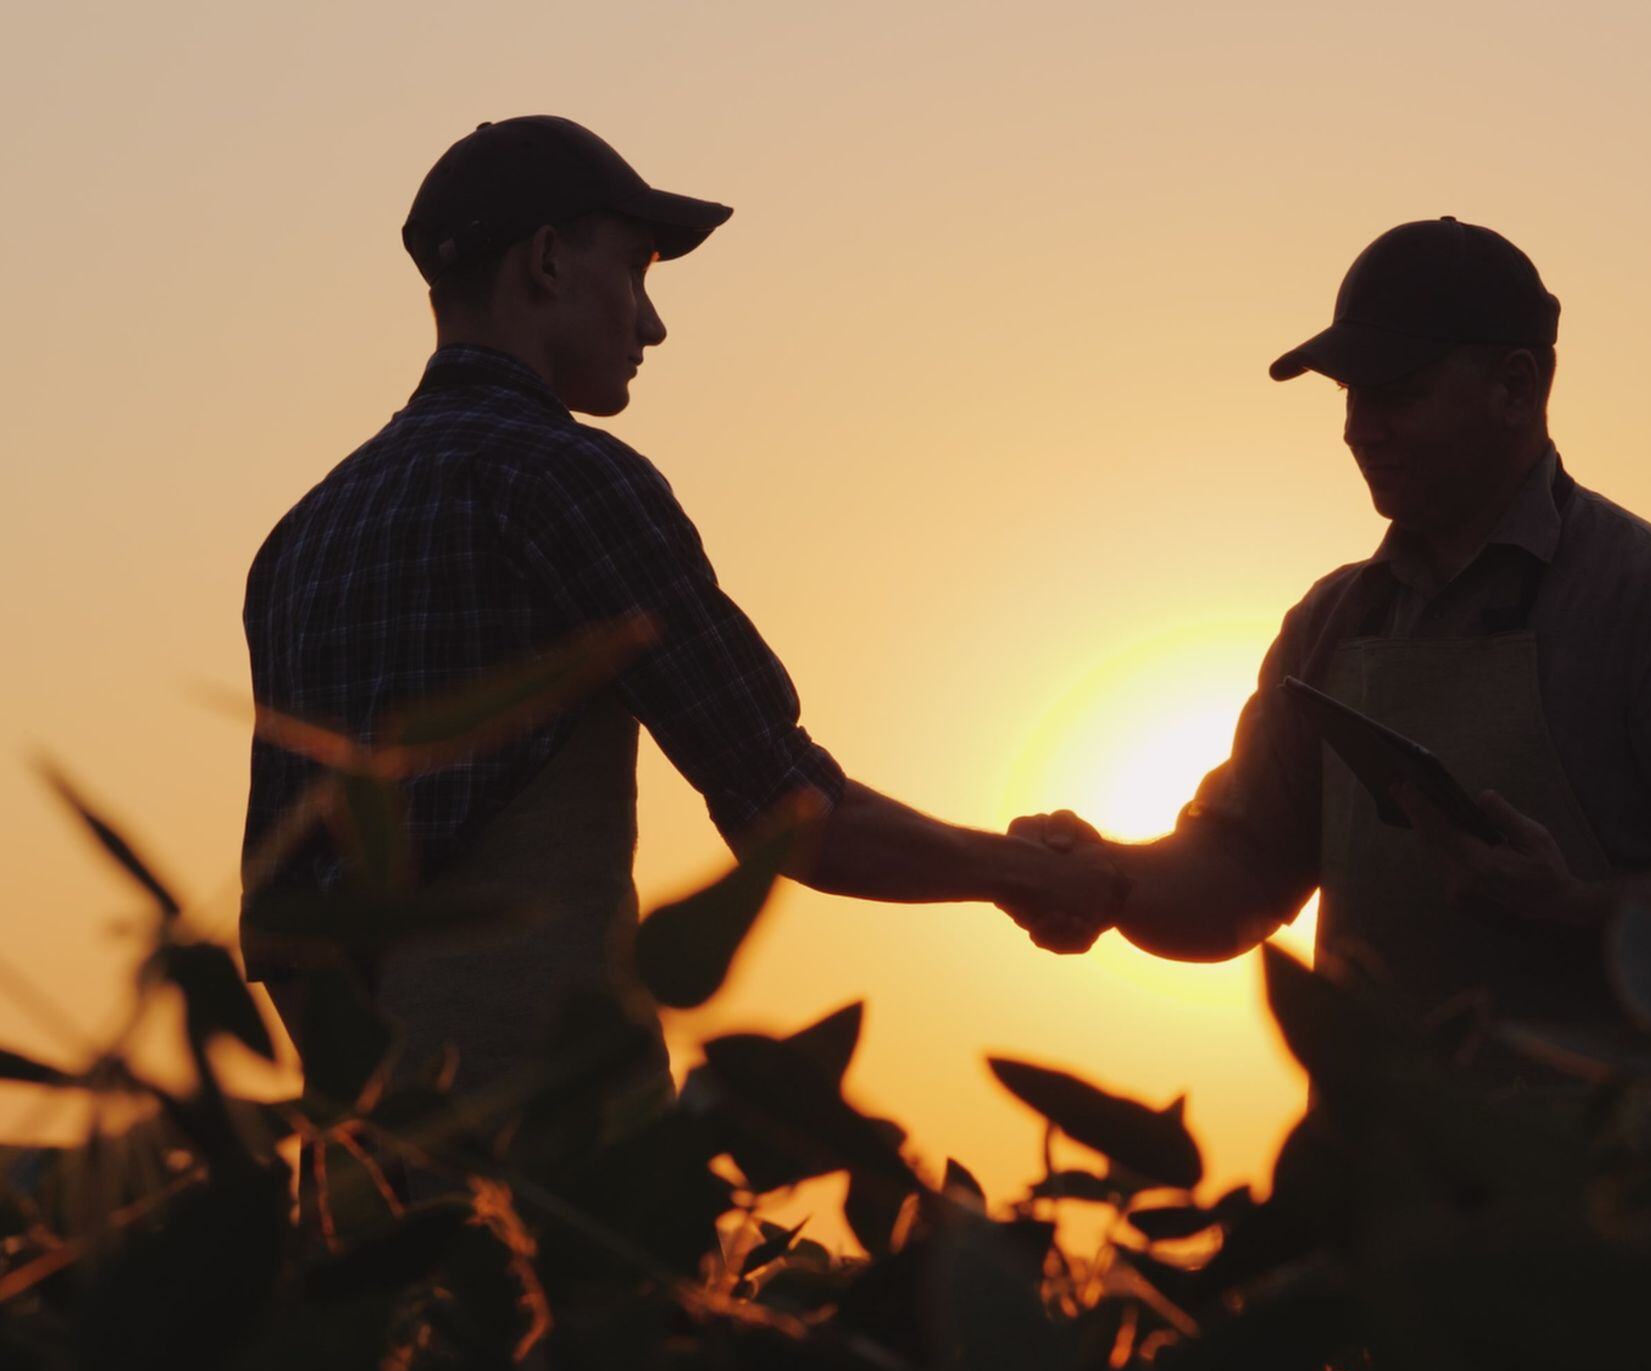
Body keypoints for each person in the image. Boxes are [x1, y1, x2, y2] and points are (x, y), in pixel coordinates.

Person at [240, 116, 1122, 1098]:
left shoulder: (297, 542)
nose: (651, 323)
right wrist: (1028, 875)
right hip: (559, 1161)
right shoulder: (568, 483)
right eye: (637, 269)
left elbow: (279, 923)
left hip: (364, 1190)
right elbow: (787, 807)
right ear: (545, 264)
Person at [1007, 218, 1651, 1030]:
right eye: (1351, 396)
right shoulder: (1330, 623)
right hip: (1377, 1161)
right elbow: (1240, 881)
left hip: (1610, 1158)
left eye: (1398, 395)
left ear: (1516, 386)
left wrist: (1582, 907)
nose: (1360, 429)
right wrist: (1107, 877)